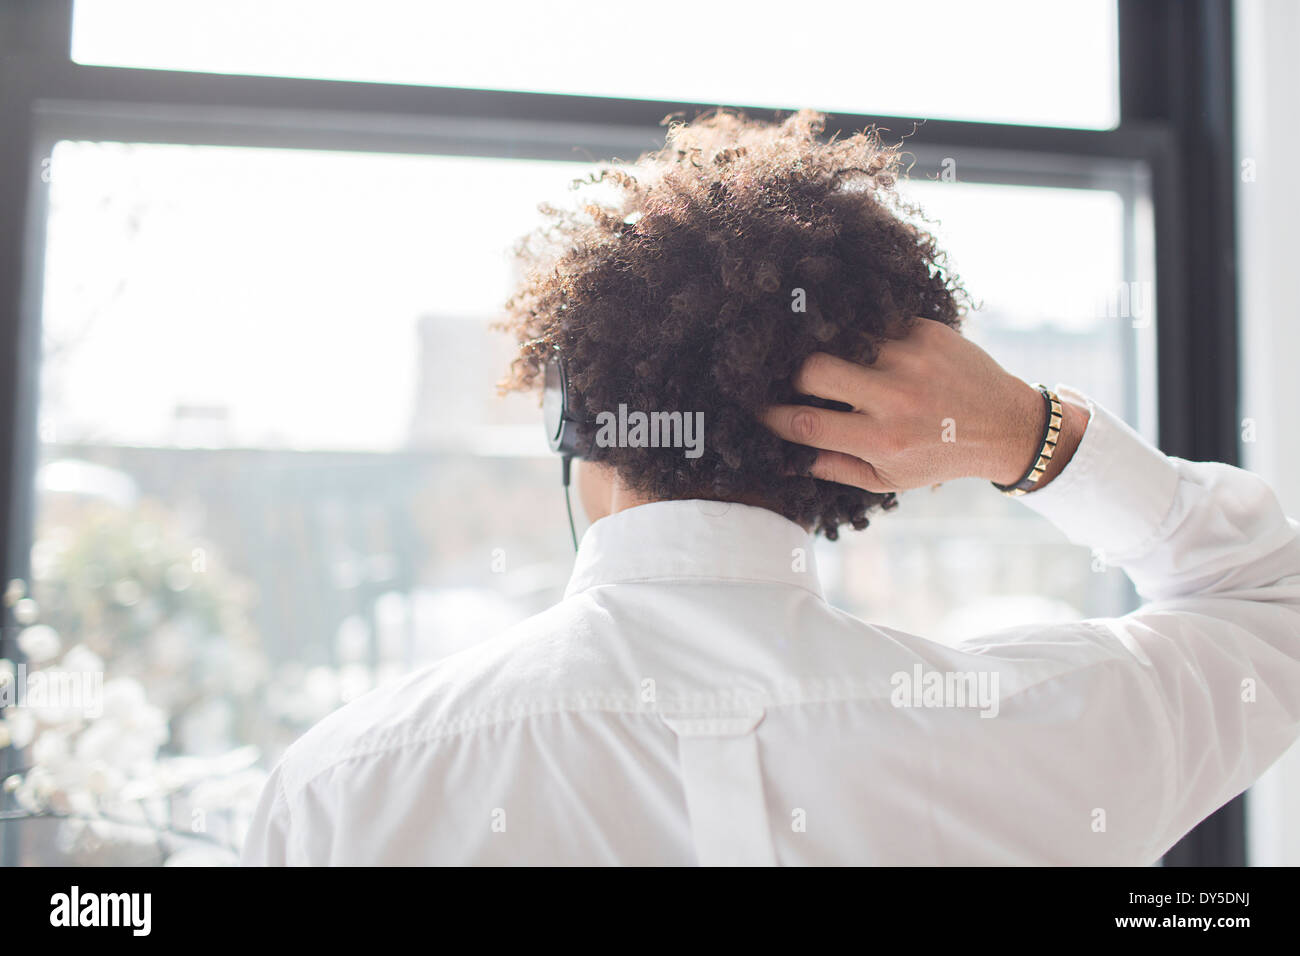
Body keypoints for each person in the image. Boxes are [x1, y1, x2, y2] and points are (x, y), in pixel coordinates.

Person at [242, 110, 1300, 865]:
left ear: (578, 425)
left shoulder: (348, 785)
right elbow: (1268, 598)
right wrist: (1023, 430)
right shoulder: (1043, 730)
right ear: (871, 461)